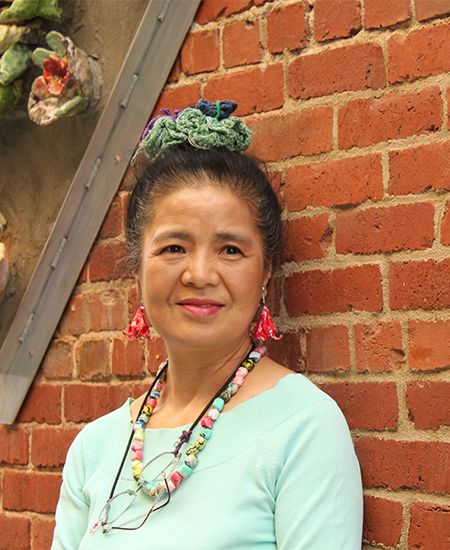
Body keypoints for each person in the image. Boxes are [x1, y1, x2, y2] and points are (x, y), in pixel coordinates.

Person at [51, 100, 363, 550]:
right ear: (137, 266)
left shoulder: (301, 427)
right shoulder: (94, 448)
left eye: (231, 250)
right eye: (174, 247)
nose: (199, 273)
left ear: (266, 272)